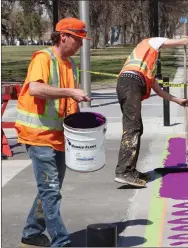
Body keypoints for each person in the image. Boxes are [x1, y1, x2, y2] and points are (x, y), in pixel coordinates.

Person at [15, 17, 91, 247]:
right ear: (64, 36)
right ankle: (61, 241)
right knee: (50, 191)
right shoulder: (43, 58)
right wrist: (70, 91)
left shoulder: (71, 65)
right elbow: (36, 89)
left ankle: (31, 233)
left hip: (59, 138)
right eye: (78, 40)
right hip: (38, 137)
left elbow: (67, 103)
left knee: (50, 190)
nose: (80, 45)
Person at [114, 37, 188, 187]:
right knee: (132, 128)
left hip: (128, 85)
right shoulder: (148, 43)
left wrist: (177, 100)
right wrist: (183, 41)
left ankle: (130, 169)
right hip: (130, 83)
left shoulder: (147, 66)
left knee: (136, 127)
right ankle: (123, 171)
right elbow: (164, 42)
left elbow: (159, 91)